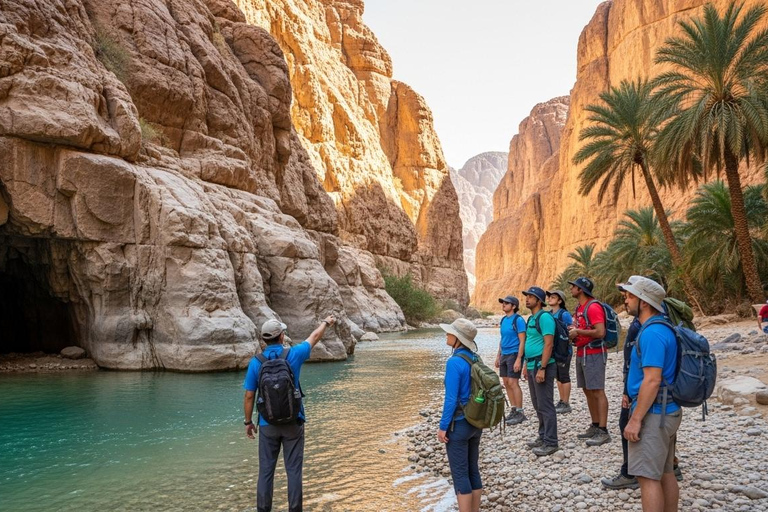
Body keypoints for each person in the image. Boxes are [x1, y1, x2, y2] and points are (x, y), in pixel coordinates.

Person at [243, 315, 337, 512]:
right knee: (293, 471)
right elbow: (314, 337)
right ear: (281, 336)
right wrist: (326, 323)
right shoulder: (293, 354)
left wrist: (248, 422)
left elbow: (249, 396)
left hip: (267, 424)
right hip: (294, 423)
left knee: (266, 472)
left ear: (263, 339)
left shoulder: (256, 362)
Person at [619, 275, 682, 512]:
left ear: (644, 301)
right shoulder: (662, 327)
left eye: (630, 296)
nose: (625, 300)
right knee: (665, 473)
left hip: (654, 414)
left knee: (647, 478)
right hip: (667, 410)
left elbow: (652, 380)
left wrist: (635, 420)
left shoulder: (652, 333)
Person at [437, 318, 483, 512]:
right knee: (473, 470)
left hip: (460, 424)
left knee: (460, 475)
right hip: (476, 421)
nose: (447, 335)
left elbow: (451, 399)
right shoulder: (475, 358)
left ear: (458, 338)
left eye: (450, 333)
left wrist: (443, 427)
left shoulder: (454, 362)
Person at [568, 277, 611, 446]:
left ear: (581, 289)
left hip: (594, 353)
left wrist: (578, 331)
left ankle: (603, 430)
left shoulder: (593, 307)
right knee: (588, 390)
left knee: (598, 390)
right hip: (582, 352)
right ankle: (595, 424)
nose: (571, 289)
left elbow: (600, 332)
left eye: (574, 286)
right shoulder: (580, 307)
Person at [601, 316, 641, 490]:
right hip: (641, 388)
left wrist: (628, 391)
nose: (625, 302)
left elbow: (637, 364)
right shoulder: (659, 321)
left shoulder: (644, 325)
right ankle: (671, 465)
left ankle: (630, 473)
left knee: (627, 424)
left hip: (640, 389)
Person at [521, 286, 559, 456]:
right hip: (531, 365)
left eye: (531, 296)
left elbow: (548, 344)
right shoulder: (531, 318)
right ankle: (543, 436)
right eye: (527, 296)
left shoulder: (545, 318)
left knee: (545, 404)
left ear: (539, 300)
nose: (527, 299)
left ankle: (551, 442)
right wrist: (525, 365)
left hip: (542, 365)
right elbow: (530, 342)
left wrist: (542, 368)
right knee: (537, 404)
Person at [495, 295, 527, 425]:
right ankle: (513, 409)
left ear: (513, 306)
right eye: (503, 302)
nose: (503, 304)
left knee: (513, 383)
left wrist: (519, 358)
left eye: (507, 303)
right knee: (506, 383)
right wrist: (498, 356)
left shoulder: (518, 320)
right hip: (504, 354)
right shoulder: (503, 320)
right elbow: (502, 339)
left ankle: (520, 412)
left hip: (514, 353)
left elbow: (522, 340)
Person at [546, 290, 573, 414]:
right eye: (549, 297)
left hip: (564, 350)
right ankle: (561, 400)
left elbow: (570, 331)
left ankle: (566, 402)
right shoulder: (549, 314)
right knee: (558, 375)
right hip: (553, 350)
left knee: (564, 375)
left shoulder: (564, 314)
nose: (550, 299)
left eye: (553, 297)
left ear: (560, 301)